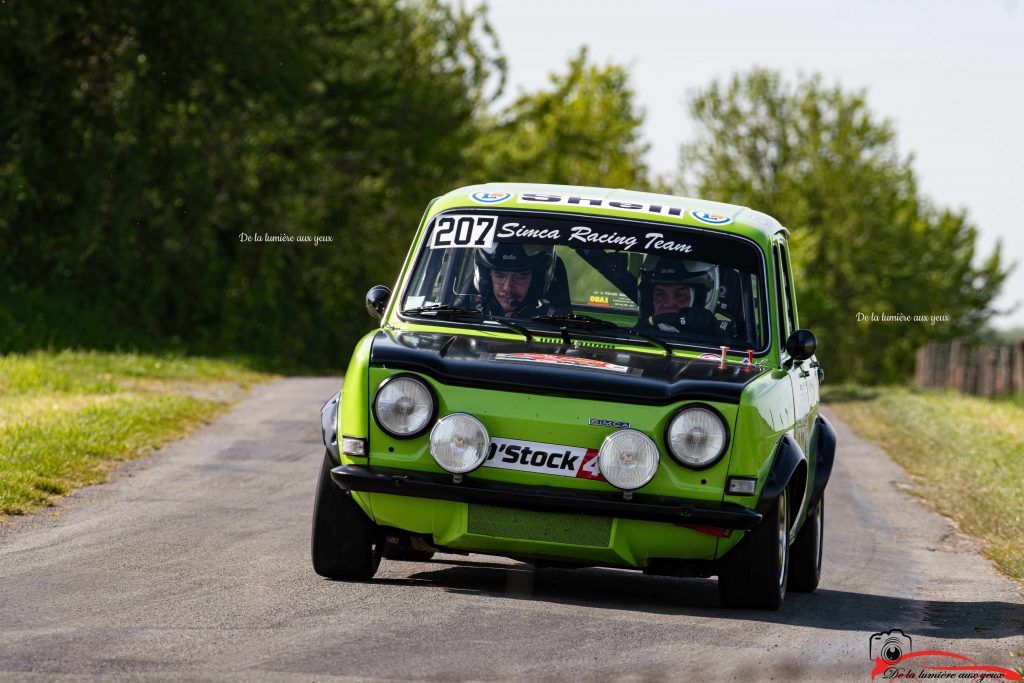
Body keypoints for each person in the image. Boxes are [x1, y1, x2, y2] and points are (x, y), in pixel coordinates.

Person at [636, 255, 722, 336]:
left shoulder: (721, 343)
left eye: (679, 295)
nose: (668, 303)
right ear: (649, 299)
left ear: (699, 301)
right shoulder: (632, 335)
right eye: (660, 294)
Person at [471, 243, 558, 317]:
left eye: (520, 277)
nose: (507, 288)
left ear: (537, 280)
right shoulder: (463, 315)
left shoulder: (554, 327)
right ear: (487, 277)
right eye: (499, 276)